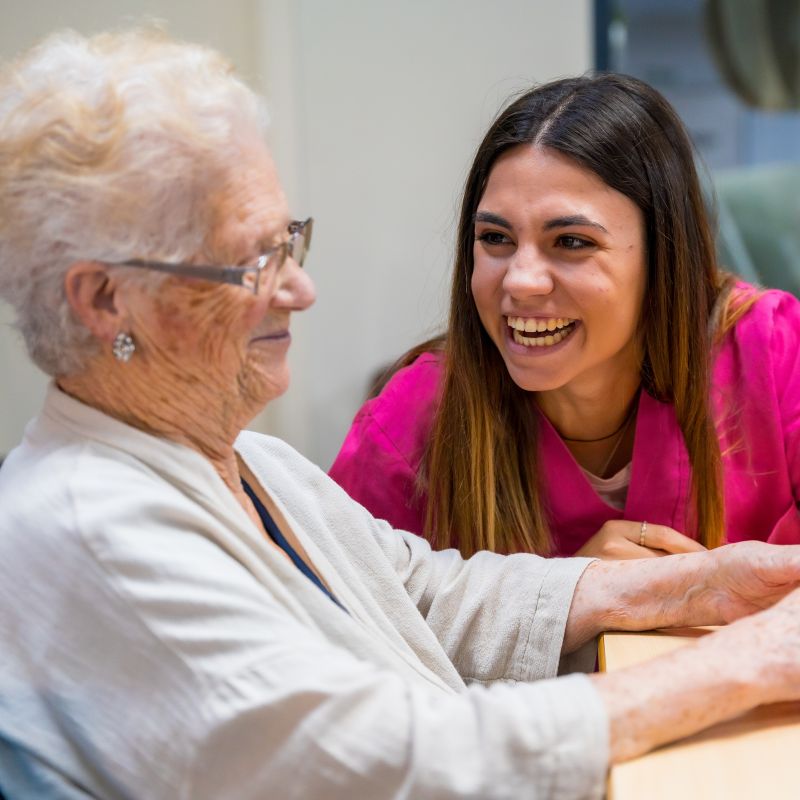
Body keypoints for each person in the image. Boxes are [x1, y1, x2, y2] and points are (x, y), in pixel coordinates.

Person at [2, 29, 800, 800]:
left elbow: (423, 593)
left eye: (290, 245)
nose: (299, 290)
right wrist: (744, 660)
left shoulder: (252, 464)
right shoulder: (96, 531)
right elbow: (391, 761)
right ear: (107, 301)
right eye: (252, 262)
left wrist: (700, 585)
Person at [330, 73, 800, 560]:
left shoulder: (774, 354)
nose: (519, 280)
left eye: (572, 242)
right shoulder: (410, 423)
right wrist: (561, 601)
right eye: (496, 238)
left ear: (664, 257)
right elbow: (331, 620)